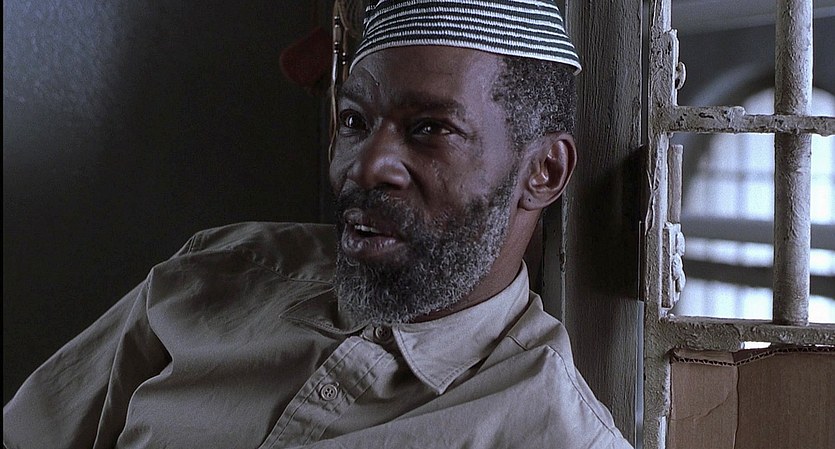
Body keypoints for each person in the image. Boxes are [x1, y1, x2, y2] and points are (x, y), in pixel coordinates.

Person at [4, 1, 632, 448]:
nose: (365, 166)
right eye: (355, 121)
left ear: (544, 171)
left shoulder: (552, 431)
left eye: (429, 129)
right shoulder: (217, 272)